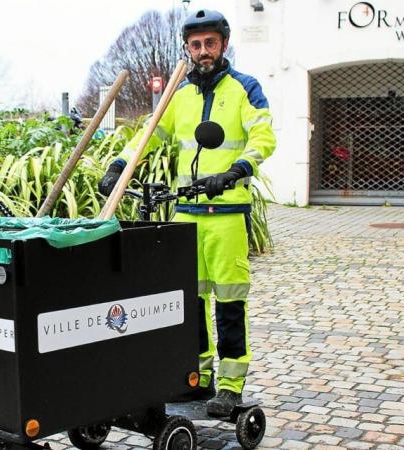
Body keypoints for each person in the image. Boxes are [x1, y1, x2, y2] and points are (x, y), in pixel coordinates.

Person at [97, 9, 276, 416]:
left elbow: (263, 137)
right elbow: (146, 136)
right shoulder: (178, 96)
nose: (202, 51)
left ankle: (230, 386)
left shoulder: (246, 88)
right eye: (195, 45)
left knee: (229, 300)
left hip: (227, 212)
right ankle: (199, 376)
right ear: (187, 49)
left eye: (210, 43)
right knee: (188, 300)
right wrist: (119, 166)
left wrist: (235, 171)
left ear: (224, 44)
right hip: (186, 215)